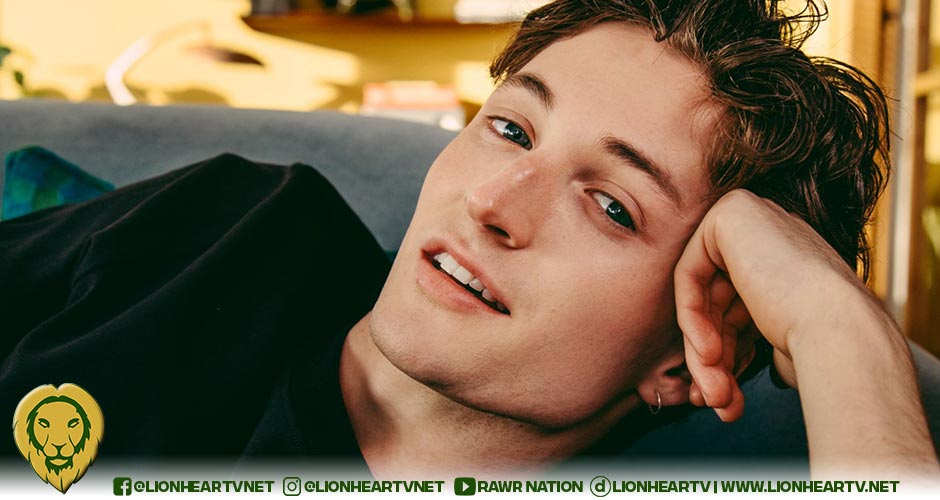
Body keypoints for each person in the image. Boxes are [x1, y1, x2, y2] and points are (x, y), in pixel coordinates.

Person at [0, 0, 937, 480]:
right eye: (512, 129)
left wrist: (840, 329)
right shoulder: (234, 223)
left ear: (690, 354)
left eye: (612, 207)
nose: (494, 202)